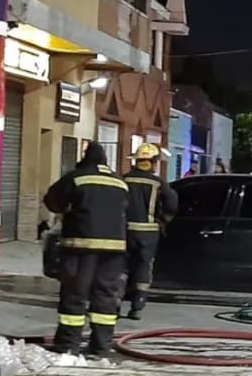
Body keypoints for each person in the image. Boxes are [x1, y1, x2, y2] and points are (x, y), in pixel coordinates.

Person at [44, 141, 129, 355]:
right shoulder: (120, 182)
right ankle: (101, 345)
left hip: (81, 245)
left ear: (85, 157)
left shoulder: (77, 177)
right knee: (106, 295)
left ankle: (68, 344)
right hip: (114, 249)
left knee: (75, 294)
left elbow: (52, 201)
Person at [121, 142, 177, 320]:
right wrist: (164, 219)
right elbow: (172, 203)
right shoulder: (158, 183)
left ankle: (114, 303)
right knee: (143, 266)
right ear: (152, 162)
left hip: (124, 230)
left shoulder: (124, 180)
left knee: (121, 266)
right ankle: (137, 306)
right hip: (148, 233)